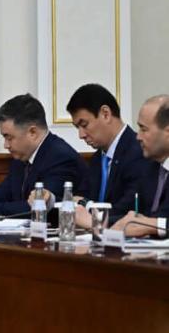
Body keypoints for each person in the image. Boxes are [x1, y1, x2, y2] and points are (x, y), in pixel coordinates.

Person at [0, 94, 85, 218]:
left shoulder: (61, 158)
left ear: (33, 132)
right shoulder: (21, 157)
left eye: (9, 138)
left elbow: (38, 208)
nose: (6, 145)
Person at [65, 83, 154, 226]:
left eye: (84, 125)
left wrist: (87, 206)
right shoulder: (97, 159)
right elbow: (78, 198)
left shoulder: (139, 152)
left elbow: (126, 210)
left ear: (105, 114)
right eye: (77, 128)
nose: (81, 135)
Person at [108, 95, 169, 237]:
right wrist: (96, 221)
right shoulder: (149, 168)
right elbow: (128, 214)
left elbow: (151, 222)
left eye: (144, 129)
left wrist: (151, 226)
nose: (138, 137)